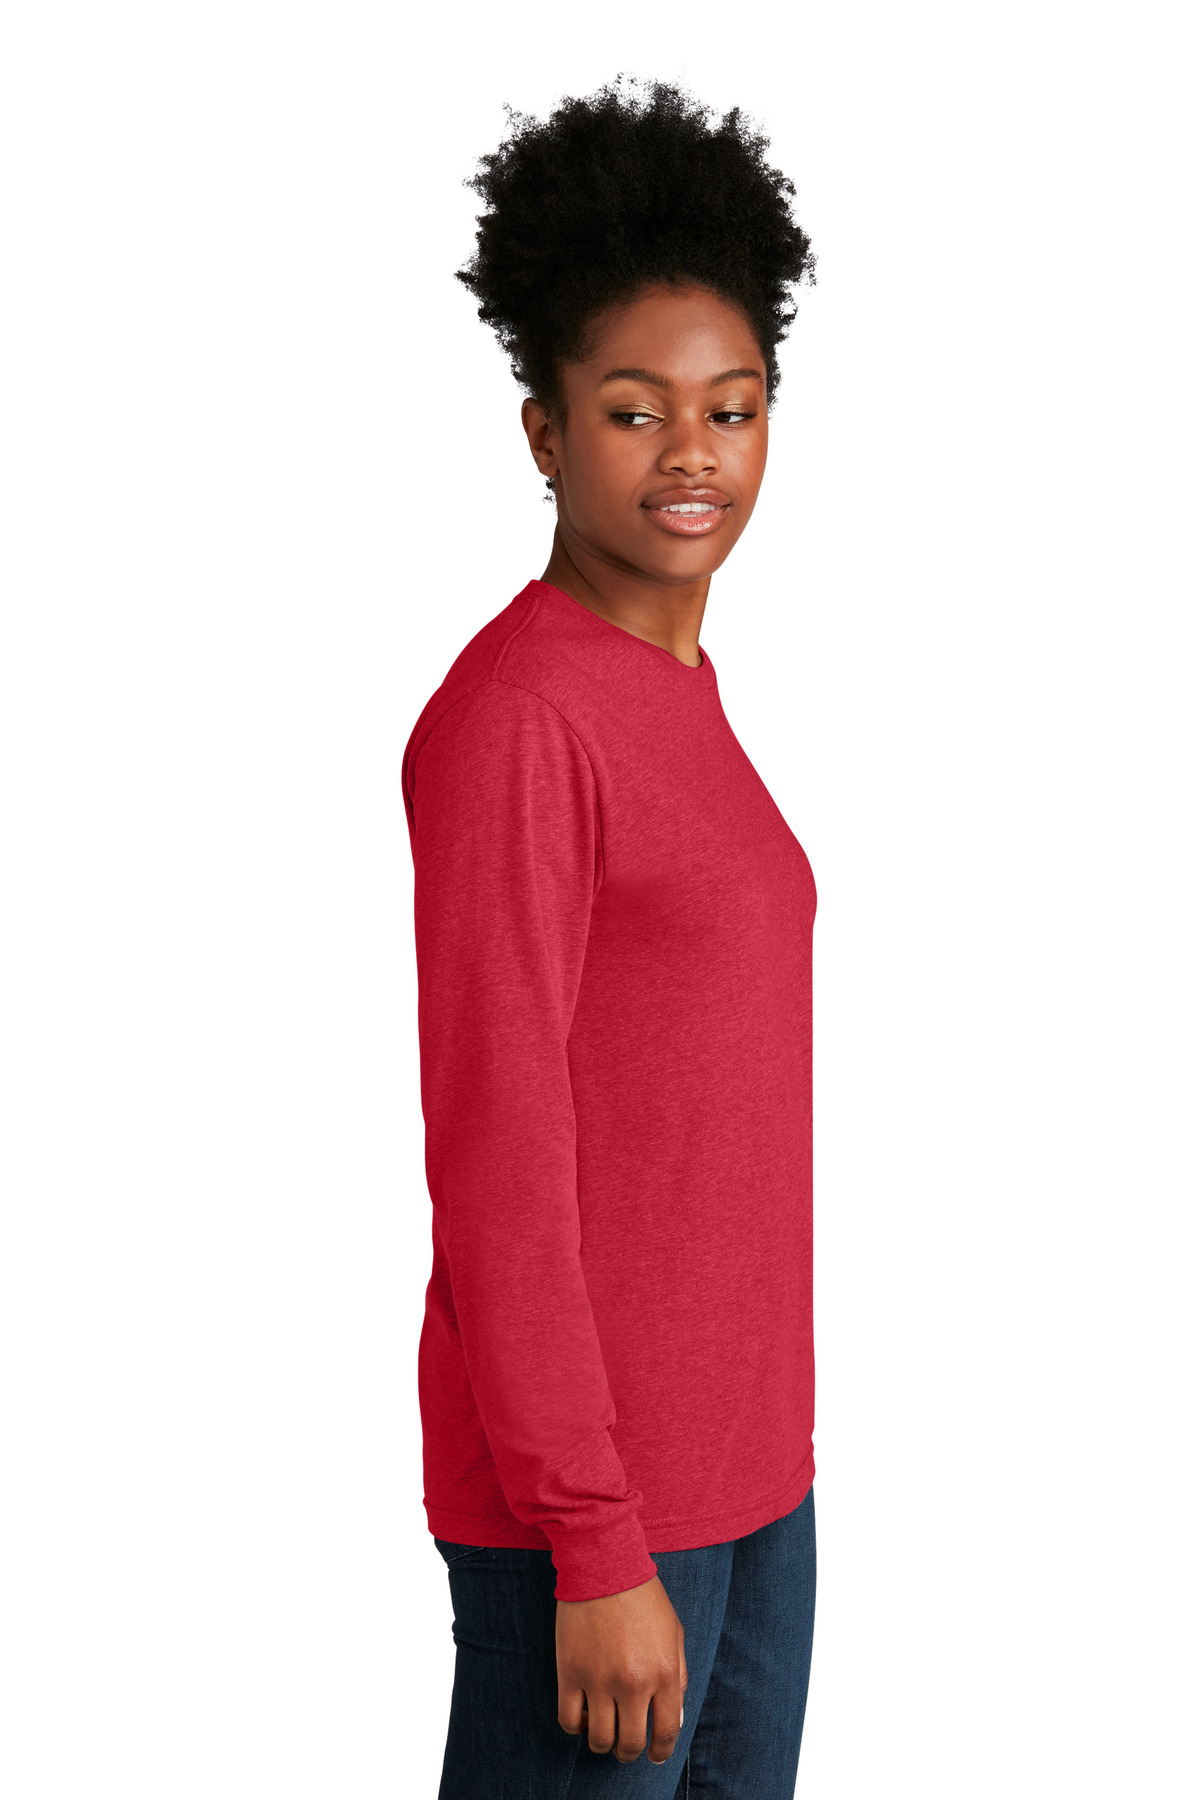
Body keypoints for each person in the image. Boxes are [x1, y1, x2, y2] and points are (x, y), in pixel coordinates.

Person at [402, 78, 819, 1798]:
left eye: (732, 408)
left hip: (753, 1491)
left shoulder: (679, 693)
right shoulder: (522, 720)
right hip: (599, 1527)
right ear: (545, 432)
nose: (692, 452)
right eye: (636, 411)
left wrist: (768, 1480)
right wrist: (591, 1535)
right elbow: (498, 1151)